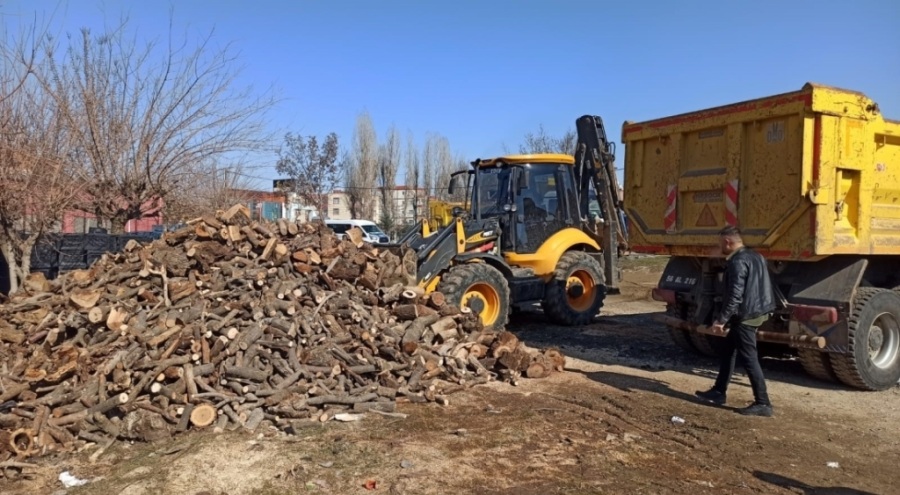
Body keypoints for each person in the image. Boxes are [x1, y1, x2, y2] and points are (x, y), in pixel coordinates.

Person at [695, 226, 777, 417]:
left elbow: (735, 296)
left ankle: (763, 403)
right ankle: (718, 391)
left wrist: (721, 320)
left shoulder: (737, 262)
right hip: (757, 310)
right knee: (728, 351)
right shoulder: (756, 255)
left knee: (749, 358)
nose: (719, 247)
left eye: (720, 244)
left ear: (727, 242)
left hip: (746, 315)